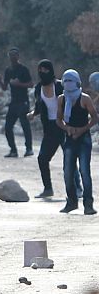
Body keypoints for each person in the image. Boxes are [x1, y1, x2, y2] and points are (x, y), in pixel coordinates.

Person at [27, 60, 70, 198]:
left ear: (50, 71)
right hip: (50, 127)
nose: (42, 73)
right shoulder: (38, 88)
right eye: (40, 70)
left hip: (63, 125)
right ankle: (48, 189)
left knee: (69, 158)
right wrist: (33, 114)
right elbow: (39, 106)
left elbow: (69, 103)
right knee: (42, 158)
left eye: (45, 70)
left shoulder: (59, 86)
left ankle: (77, 189)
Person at [57, 70, 98, 215]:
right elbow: (59, 119)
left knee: (84, 171)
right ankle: (72, 202)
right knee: (68, 172)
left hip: (84, 139)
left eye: (71, 80)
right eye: (65, 80)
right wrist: (67, 128)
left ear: (77, 82)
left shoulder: (85, 99)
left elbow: (94, 117)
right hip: (69, 138)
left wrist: (82, 130)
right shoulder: (62, 99)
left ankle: (88, 204)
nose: (68, 83)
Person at [0, 47, 34, 157]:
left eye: (14, 55)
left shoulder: (23, 69)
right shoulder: (8, 70)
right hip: (13, 102)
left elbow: (31, 84)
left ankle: (29, 149)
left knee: (25, 125)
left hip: (23, 101)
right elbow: (4, 87)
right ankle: (13, 150)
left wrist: (20, 84)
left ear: (18, 56)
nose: (12, 57)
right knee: (8, 127)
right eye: (10, 55)